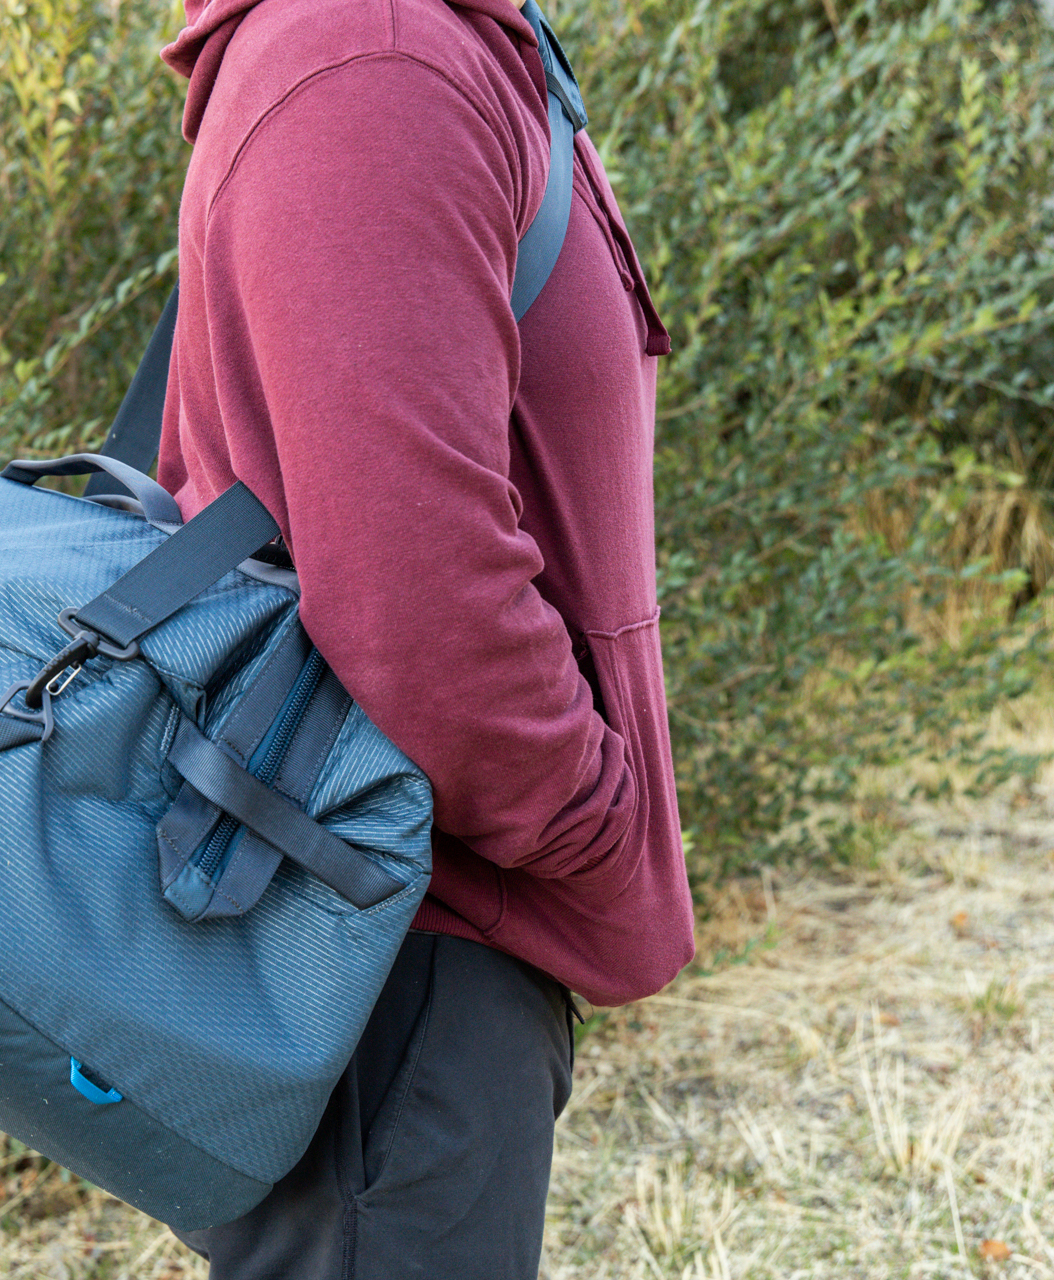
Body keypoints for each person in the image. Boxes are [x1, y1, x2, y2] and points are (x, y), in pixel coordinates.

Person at [152, 0, 696, 1275]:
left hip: (410, 925)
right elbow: (423, 613)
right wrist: (599, 835)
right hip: (398, 953)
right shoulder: (375, 60)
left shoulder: (438, 46)